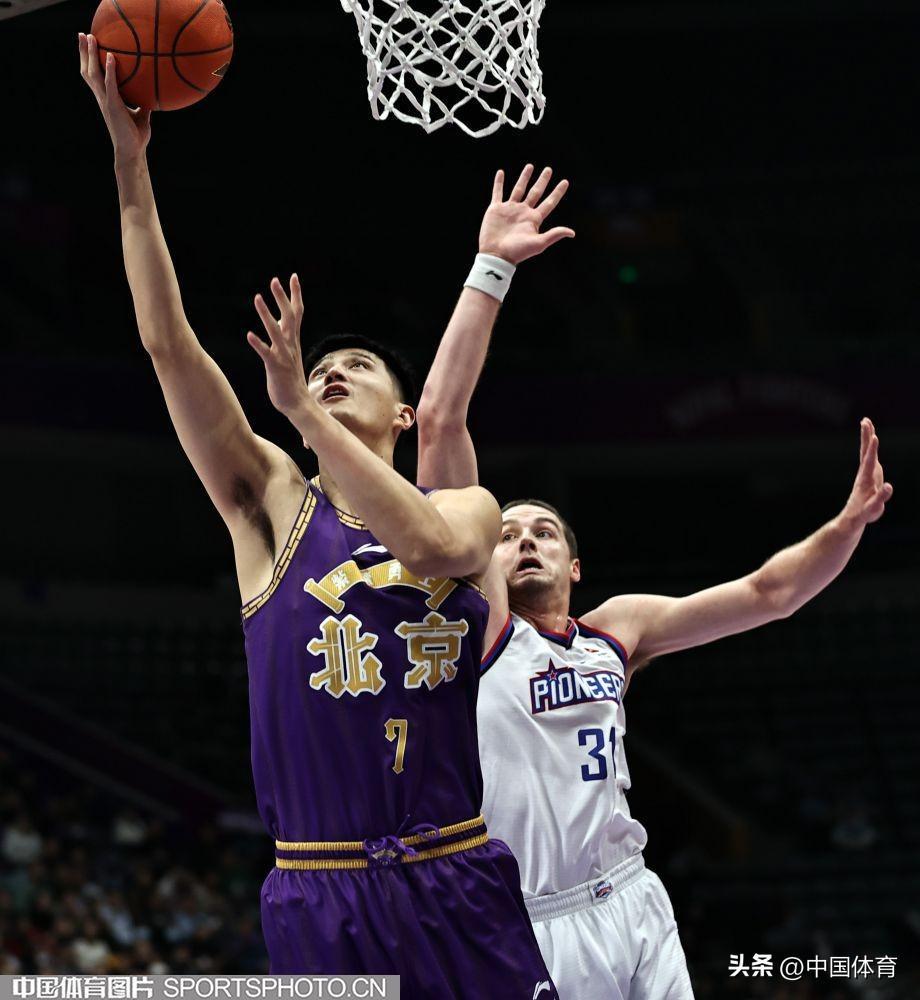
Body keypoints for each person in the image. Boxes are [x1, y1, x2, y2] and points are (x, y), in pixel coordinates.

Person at [77, 35, 560, 996]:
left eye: (359, 369)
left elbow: (429, 546)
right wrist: (131, 168)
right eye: (323, 369)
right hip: (321, 885)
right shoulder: (270, 504)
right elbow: (168, 344)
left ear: (405, 416)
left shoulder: (468, 508)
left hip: (456, 870)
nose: (334, 373)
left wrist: (302, 409)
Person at [416, 165, 894, 999]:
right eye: (507, 533)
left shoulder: (617, 629)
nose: (523, 541)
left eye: (543, 532)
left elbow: (770, 594)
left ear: (574, 565)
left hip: (634, 900)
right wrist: (492, 267)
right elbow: (439, 421)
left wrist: (846, 527)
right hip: (530, 919)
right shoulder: (482, 625)